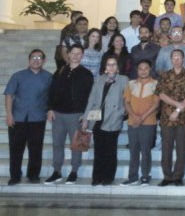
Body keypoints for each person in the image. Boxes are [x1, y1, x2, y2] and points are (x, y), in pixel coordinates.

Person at [45, 44, 94, 185]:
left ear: (82, 56)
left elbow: (90, 97)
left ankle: (74, 171)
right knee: (57, 144)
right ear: (69, 54)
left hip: (77, 114)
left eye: (79, 53)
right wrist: (50, 109)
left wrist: (86, 116)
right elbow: (51, 91)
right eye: (73, 53)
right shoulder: (60, 71)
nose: (76, 56)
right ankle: (57, 171)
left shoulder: (86, 74)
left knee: (77, 145)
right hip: (58, 114)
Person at [4, 49, 53, 185]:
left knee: (36, 149)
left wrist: (50, 110)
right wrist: (9, 114)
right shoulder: (17, 76)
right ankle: (15, 176)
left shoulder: (49, 77)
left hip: (37, 118)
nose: (36, 60)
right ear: (28, 59)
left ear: (44, 61)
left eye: (39, 58)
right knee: (15, 149)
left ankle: (33, 175)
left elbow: (52, 97)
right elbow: (9, 95)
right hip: (17, 118)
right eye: (33, 57)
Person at [81, 55, 128, 186]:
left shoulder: (124, 79)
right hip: (97, 117)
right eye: (108, 64)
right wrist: (86, 118)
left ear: (118, 67)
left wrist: (121, 112)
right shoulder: (99, 79)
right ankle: (97, 176)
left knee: (110, 149)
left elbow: (127, 99)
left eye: (114, 64)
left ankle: (108, 177)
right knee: (99, 149)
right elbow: (91, 99)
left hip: (113, 117)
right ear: (105, 67)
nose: (111, 67)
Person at [155, 49, 185, 186]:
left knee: (181, 148)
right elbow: (161, 94)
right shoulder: (165, 75)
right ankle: (167, 176)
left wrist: (179, 108)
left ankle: (178, 176)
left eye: (179, 57)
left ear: (183, 59)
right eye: (174, 57)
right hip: (167, 116)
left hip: (184, 116)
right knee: (166, 148)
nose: (177, 59)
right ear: (171, 59)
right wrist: (176, 104)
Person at [121, 59, 159, 186]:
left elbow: (156, 104)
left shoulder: (155, 84)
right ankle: (132, 176)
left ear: (150, 70)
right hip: (132, 122)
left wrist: (142, 117)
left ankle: (145, 176)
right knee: (134, 150)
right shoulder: (131, 84)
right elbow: (126, 102)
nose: (143, 71)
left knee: (146, 149)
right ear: (137, 70)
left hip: (148, 122)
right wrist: (134, 116)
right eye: (140, 68)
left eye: (146, 68)